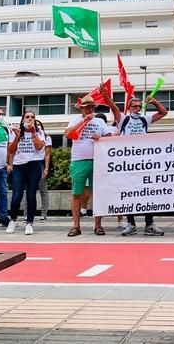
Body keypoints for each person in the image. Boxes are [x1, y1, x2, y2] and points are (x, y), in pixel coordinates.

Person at [65, 92, 120, 237]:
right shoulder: (75, 120)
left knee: (98, 193)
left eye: (91, 107)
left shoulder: (100, 122)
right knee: (77, 194)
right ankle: (76, 226)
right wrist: (83, 122)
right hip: (78, 161)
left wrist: (100, 137)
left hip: (98, 160)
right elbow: (68, 134)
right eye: (86, 107)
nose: (89, 110)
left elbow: (111, 137)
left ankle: (98, 225)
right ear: (81, 108)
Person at [119, 95, 168, 236]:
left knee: (147, 193)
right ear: (129, 108)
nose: (137, 108)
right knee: (128, 193)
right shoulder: (124, 119)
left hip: (144, 163)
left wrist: (154, 101)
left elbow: (163, 113)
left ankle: (149, 224)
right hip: (127, 163)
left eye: (139, 106)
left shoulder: (144, 119)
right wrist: (105, 95)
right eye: (134, 106)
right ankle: (131, 224)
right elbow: (113, 107)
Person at [7, 110, 47, 235]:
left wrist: (34, 132)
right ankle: (12, 220)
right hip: (19, 165)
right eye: (27, 117)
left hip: (34, 164)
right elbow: (11, 150)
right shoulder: (16, 132)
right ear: (23, 119)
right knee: (17, 194)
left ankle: (29, 223)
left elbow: (40, 147)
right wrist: (18, 136)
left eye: (32, 117)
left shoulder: (40, 132)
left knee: (31, 194)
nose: (29, 119)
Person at [36, 119, 51, 221]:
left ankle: (44, 213)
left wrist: (46, 168)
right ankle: (27, 214)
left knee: (43, 191)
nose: (37, 126)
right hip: (29, 165)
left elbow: (47, 154)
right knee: (29, 191)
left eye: (38, 124)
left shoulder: (46, 137)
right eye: (35, 124)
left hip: (41, 165)